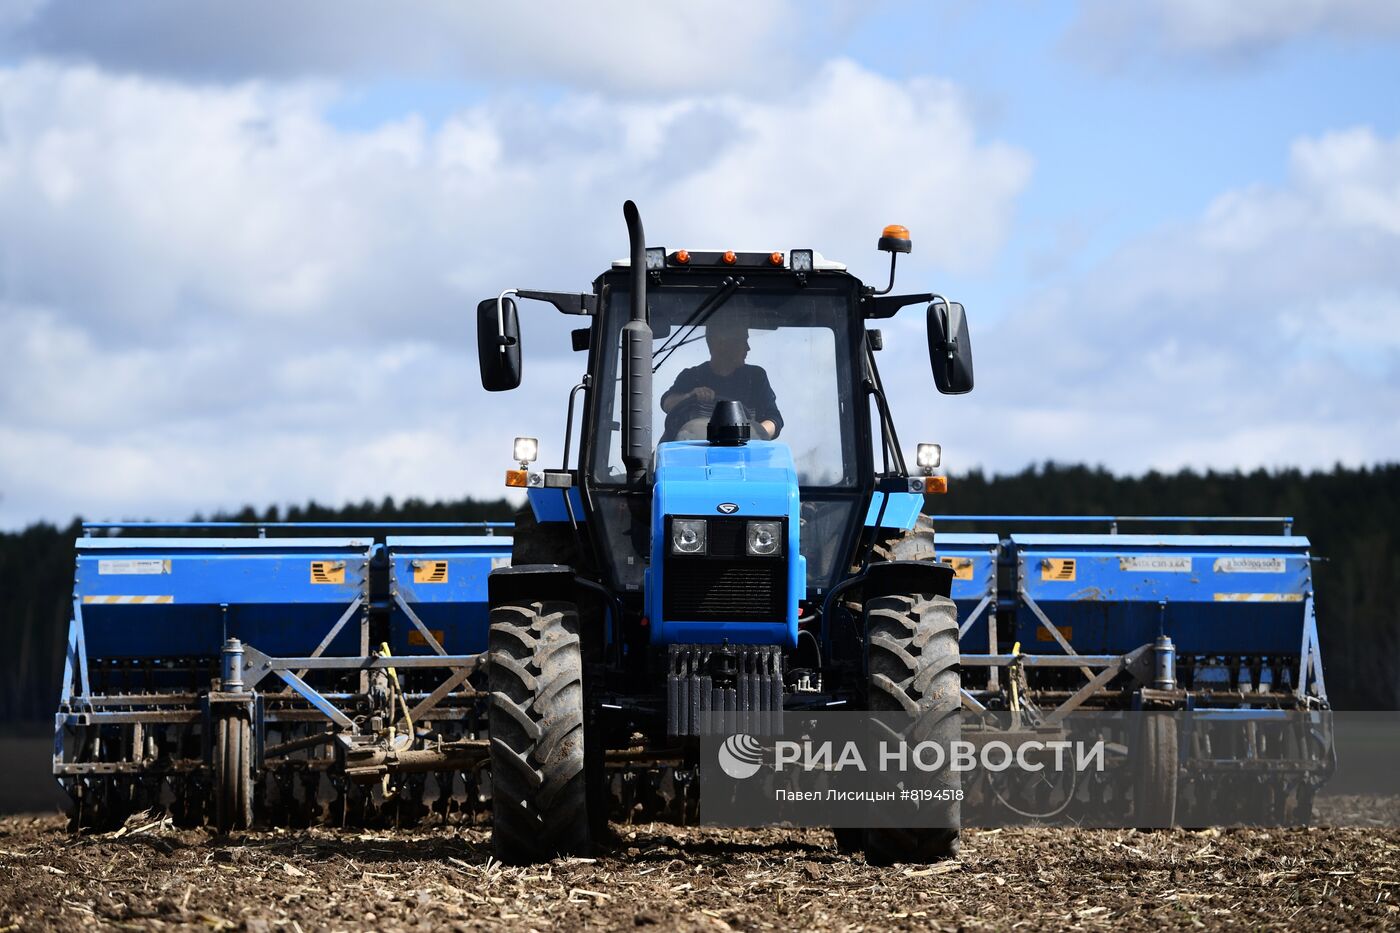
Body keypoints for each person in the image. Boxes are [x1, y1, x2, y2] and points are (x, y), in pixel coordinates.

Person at [660, 315, 783, 442]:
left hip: (746, 457)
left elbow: (774, 420)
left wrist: (749, 435)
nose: (748, 348)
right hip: (693, 458)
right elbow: (667, 403)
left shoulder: (756, 377)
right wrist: (690, 395)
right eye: (742, 341)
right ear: (720, 344)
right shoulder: (692, 377)